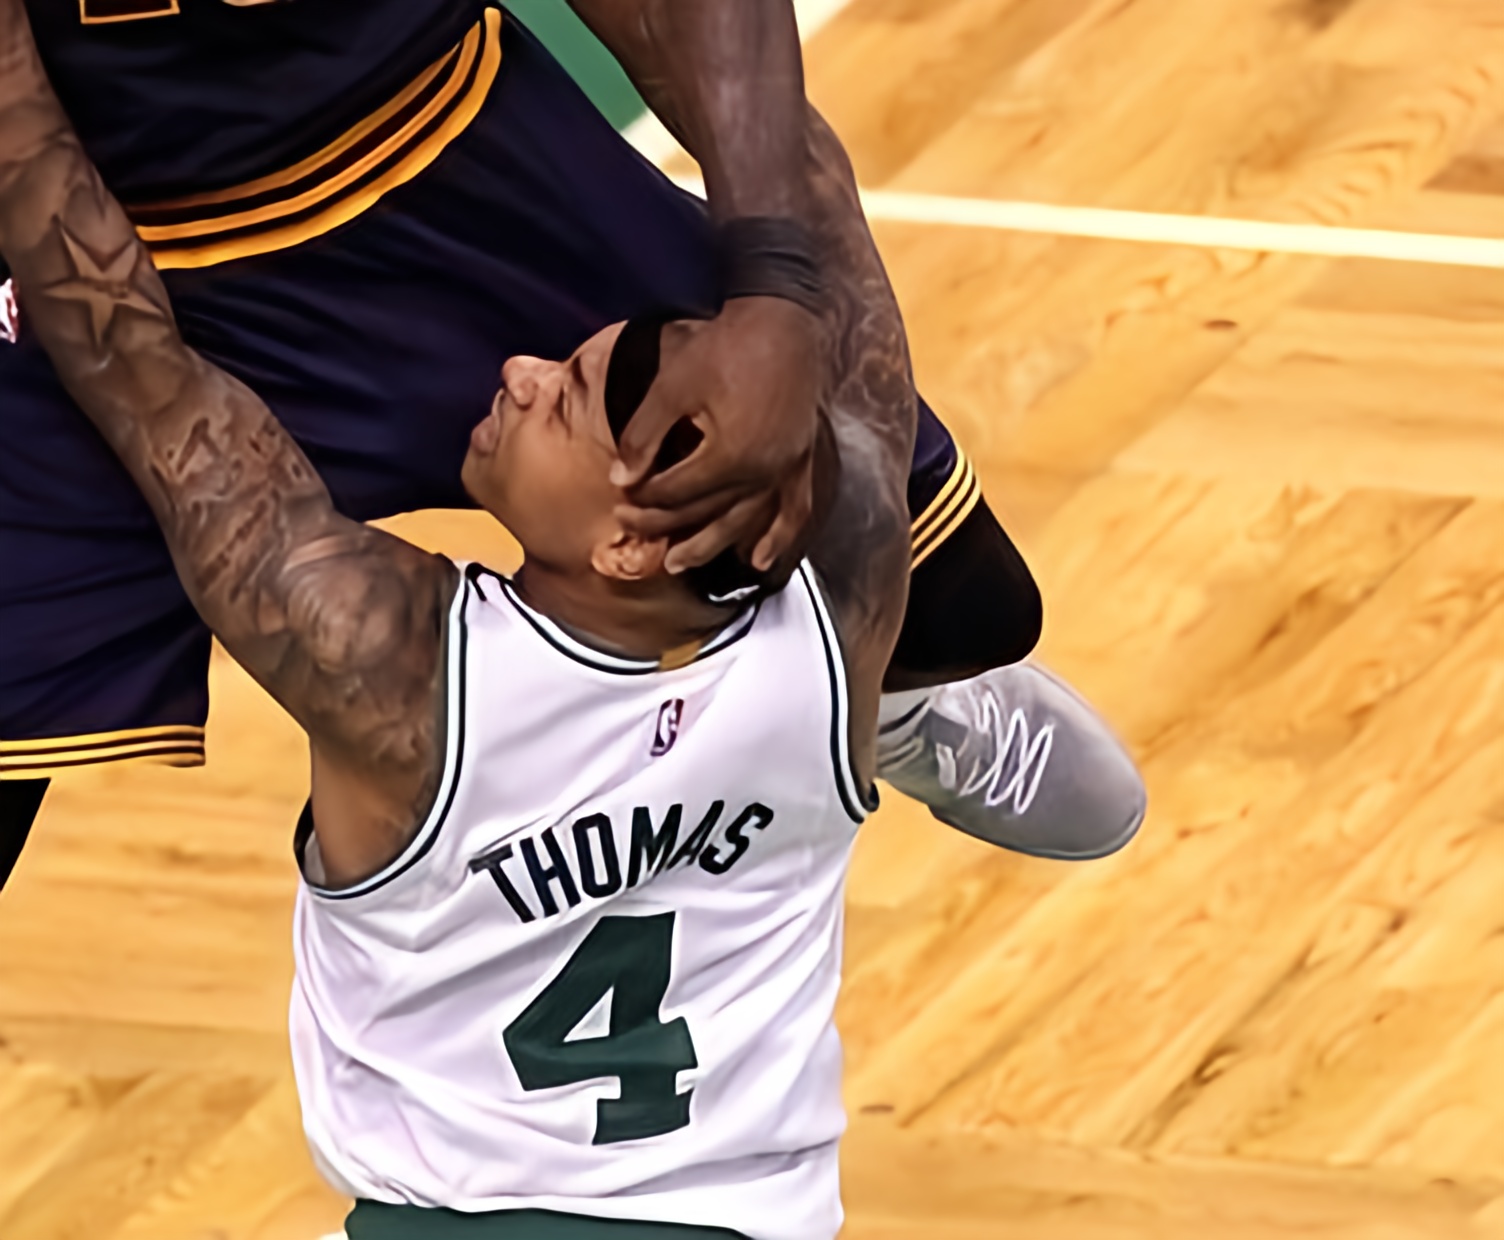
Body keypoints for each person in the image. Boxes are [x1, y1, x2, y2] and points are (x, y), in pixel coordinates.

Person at [3, 15, 964, 1232]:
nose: (515, 368)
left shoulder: (392, 668)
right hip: (754, 1220)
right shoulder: (836, 642)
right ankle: (923, 717)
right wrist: (773, 306)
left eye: (563, 397)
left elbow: (137, 366)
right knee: (976, 605)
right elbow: (828, 237)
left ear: (630, 541)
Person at [0, 0, 1144, 887]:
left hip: (463, 152)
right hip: (123, 245)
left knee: (960, 607)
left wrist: (775, 287)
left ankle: (872, 707)